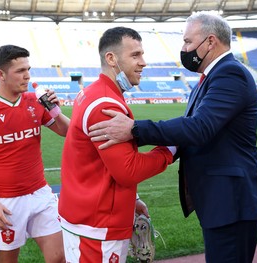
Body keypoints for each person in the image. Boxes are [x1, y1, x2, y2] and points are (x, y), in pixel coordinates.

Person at [88, 12, 257, 263]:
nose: (184, 49)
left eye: (187, 42)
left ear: (210, 42)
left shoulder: (230, 74)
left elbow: (199, 127)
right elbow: (192, 129)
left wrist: (135, 129)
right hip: (222, 200)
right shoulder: (209, 78)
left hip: (233, 201)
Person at [58, 27, 175, 263]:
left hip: (88, 218)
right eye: (135, 55)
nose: (143, 62)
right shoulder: (104, 102)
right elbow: (127, 170)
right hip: (96, 226)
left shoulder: (94, 92)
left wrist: (132, 199)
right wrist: (170, 150)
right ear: (111, 58)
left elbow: (104, 162)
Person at [0, 45, 69, 263]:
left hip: (41, 195)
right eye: (20, 71)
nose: (27, 75)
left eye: (28, 69)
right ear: (1, 74)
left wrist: (55, 109)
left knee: (60, 258)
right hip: (5, 202)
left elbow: (67, 132)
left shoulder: (35, 102)